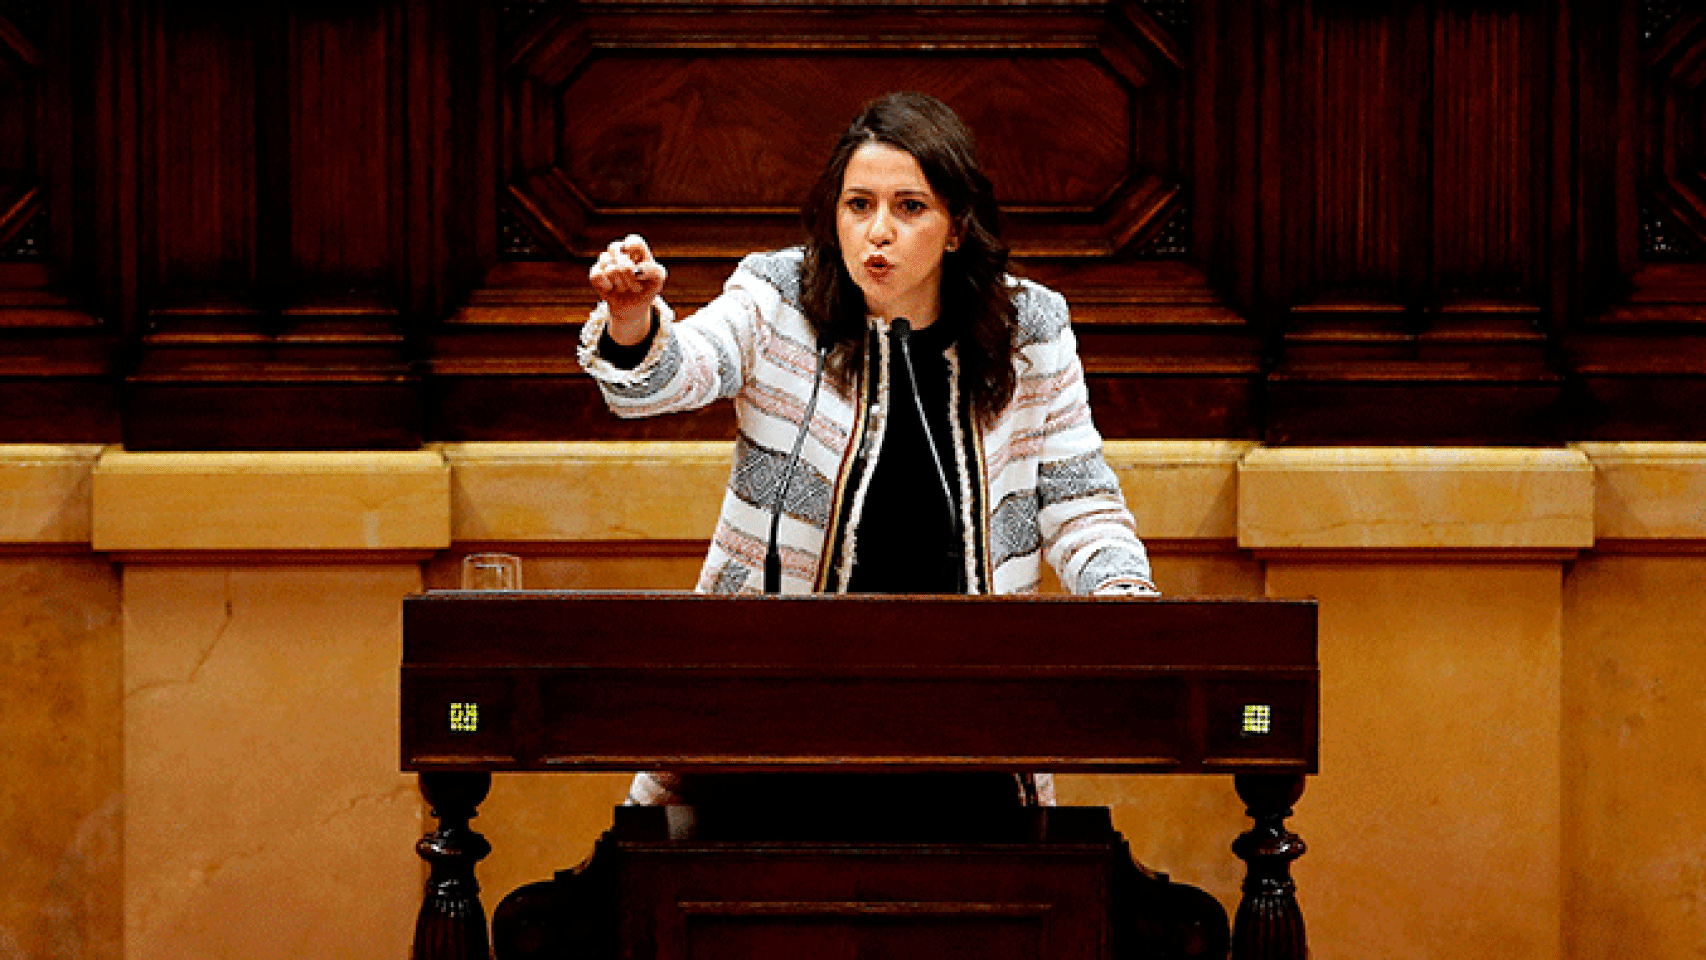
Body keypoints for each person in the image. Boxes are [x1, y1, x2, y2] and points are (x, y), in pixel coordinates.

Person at [579, 91, 1157, 813]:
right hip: (770, 717)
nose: (877, 233)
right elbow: (680, 370)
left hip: (965, 727)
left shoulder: (1027, 328)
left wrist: (1125, 602)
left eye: (909, 207)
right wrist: (633, 323)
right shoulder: (778, 298)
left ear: (955, 228)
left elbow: (1081, 504)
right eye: (858, 206)